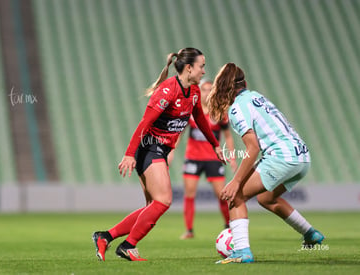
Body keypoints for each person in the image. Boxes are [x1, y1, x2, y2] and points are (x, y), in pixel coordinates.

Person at [92, 48, 225, 262]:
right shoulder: (167, 91)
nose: (203, 71)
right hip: (149, 148)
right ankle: (127, 247)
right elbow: (144, 123)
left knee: (153, 206)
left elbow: (200, 119)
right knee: (163, 201)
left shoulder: (193, 91)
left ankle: (105, 237)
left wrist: (215, 145)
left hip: (159, 150)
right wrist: (129, 154)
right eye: (201, 66)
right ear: (189, 68)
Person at [207, 63, 325, 264]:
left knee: (235, 196)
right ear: (244, 82)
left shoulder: (236, 108)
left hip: (282, 157)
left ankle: (242, 252)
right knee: (266, 198)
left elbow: (252, 148)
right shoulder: (257, 97)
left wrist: (236, 182)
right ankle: (310, 234)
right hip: (302, 156)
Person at [175, 79, 237, 240]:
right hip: (193, 158)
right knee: (189, 194)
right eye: (204, 89)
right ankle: (189, 230)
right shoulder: (191, 111)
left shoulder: (219, 113)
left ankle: (229, 226)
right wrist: (171, 150)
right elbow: (179, 133)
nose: (207, 92)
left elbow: (228, 136)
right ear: (199, 91)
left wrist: (232, 156)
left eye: (210, 90)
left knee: (222, 194)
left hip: (213, 159)